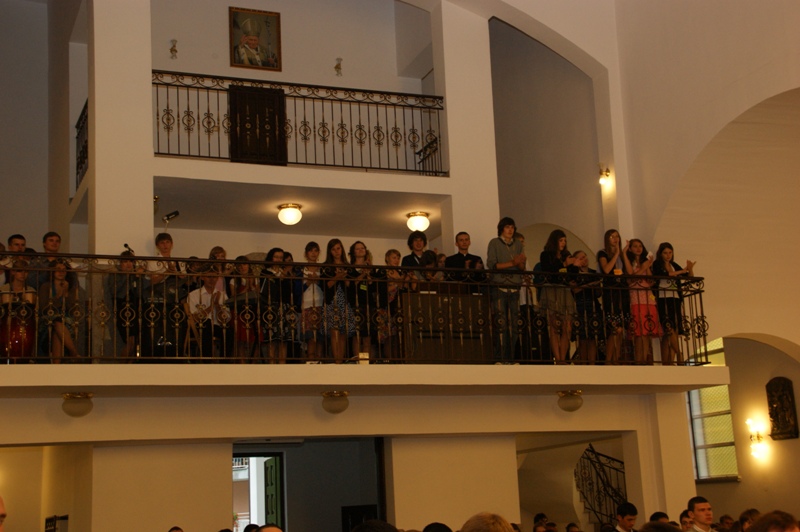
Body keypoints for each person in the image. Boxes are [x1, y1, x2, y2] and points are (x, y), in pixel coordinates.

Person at [487, 216, 526, 362]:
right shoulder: (494, 243)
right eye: (507, 227)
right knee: (501, 323)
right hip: (500, 287)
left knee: (515, 324)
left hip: (514, 287)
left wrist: (519, 263)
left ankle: (511, 357)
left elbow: (521, 267)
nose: (510, 230)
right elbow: (492, 264)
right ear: (501, 229)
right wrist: (512, 263)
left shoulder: (518, 244)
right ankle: (500, 357)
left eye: (512, 227)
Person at [653, 242, 696, 365]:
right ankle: (679, 354)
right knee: (668, 327)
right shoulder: (657, 264)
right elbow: (665, 275)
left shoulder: (674, 265)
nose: (668, 255)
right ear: (660, 254)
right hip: (663, 298)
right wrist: (682, 270)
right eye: (665, 253)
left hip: (675, 298)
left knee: (673, 331)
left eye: (670, 253)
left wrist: (690, 268)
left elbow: (688, 277)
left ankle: (669, 361)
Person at [539, 229, 577, 363]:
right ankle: (558, 358)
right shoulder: (545, 255)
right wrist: (564, 264)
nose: (563, 243)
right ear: (554, 241)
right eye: (561, 240)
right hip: (551, 289)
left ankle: (563, 357)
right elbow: (549, 270)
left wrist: (574, 265)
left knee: (567, 326)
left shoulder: (567, 255)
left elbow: (572, 275)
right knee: (554, 325)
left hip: (564, 290)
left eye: (565, 241)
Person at [622, 238, 661, 364]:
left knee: (647, 333)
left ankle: (643, 360)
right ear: (630, 249)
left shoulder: (645, 262)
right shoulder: (630, 262)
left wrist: (647, 266)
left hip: (648, 298)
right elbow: (630, 277)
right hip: (636, 298)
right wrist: (642, 267)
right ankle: (639, 361)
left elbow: (650, 281)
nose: (638, 248)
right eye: (635, 246)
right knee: (639, 333)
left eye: (640, 246)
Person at [38, 259, 84, 362]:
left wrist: (66, 293)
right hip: (47, 321)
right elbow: (44, 308)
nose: (61, 272)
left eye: (64, 270)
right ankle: (74, 352)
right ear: (52, 271)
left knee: (57, 331)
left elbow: (73, 309)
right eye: (58, 269)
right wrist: (59, 295)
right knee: (57, 323)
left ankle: (56, 365)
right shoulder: (45, 287)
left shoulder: (71, 288)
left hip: (66, 322)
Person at [105, 251, 146, 359]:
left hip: (134, 308)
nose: (128, 264)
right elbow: (114, 291)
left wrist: (138, 277)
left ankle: (129, 364)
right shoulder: (115, 274)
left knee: (134, 341)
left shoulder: (135, 275)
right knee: (129, 340)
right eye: (125, 261)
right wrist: (127, 275)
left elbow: (140, 293)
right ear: (120, 263)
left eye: (131, 261)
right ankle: (122, 365)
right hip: (122, 308)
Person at [185, 266, 232, 361]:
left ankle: (225, 363)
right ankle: (208, 361)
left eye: (214, 277)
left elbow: (225, 319)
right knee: (207, 325)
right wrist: (210, 307)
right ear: (202, 277)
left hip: (217, 325)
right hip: (200, 326)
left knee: (229, 331)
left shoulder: (222, 295)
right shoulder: (194, 295)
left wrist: (217, 305)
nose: (212, 279)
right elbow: (194, 318)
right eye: (209, 277)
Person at [597, 229, 629, 364]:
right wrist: (616, 254)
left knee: (621, 329)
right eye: (612, 237)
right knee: (614, 328)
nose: (615, 239)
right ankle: (608, 360)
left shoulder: (621, 255)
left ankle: (616, 359)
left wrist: (623, 254)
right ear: (607, 239)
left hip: (622, 292)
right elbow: (606, 269)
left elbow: (628, 271)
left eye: (617, 236)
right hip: (611, 293)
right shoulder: (603, 253)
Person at [321, 238, 355, 362]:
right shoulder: (326, 267)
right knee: (334, 331)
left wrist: (344, 278)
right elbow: (325, 286)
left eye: (338, 248)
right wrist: (337, 277)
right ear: (330, 251)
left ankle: (341, 359)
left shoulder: (348, 266)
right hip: (332, 301)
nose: (336, 251)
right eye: (333, 249)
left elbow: (351, 286)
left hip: (345, 302)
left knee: (343, 332)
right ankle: (337, 361)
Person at [260, 248, 293, 363]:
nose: (278, 260)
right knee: (272, 339)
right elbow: (265, 290)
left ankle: (282, 364)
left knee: (283, 340)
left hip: (284, 307)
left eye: (280, 257)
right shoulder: (265, 272)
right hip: (270, 308)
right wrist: (279, 278)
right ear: (271, 258)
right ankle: (271, 364)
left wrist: (286, 277)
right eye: (276, 257)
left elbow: (289, 292)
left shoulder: (286, 273)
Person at [570, 250, 603, 364]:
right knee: (582, 338)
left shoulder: (593, 273)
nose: (584, 260)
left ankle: (592, 363)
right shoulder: (574, 274)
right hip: (580, 306)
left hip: (593, 306)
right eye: (581, 258)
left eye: (585, 257)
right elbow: (575, 290)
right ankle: (583, 363)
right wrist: (589, 285)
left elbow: (598, 293)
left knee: (593, 336)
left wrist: (596, 286)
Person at [230, 256, 260, 361]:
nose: (242, 267)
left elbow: (258, 294)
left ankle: (253, 363)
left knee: (255, 339)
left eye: (244, 264)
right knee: (241, 340)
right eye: (239, 265)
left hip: (253, 311)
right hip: (240, 312)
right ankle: (242, 362)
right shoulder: (234, 280)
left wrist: (251, 286)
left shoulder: (255, 279)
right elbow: (233, 297)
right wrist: (246, 288)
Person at [348, 240, 374, 357]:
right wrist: (363, 274)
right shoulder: (350, 268)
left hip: (368, 303)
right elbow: (351, 284)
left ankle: (365, 362)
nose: (361, 250)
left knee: (367, 336)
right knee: (356, 335)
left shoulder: (371, 267)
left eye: (362, 248)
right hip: (355, 303)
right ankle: (357, 360)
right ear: (353, 252)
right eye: (357, 248)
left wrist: (368, 274)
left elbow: (373, 285)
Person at [300, 241, 325, 361]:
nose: (313, 253)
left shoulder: (323, 269)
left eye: (316, 250)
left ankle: (318, 360)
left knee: (320, 337)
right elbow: (297, 289)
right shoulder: (301, 269)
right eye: (310, 251)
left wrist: (318, 281)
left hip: (321, 303)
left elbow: (327, 286)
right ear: (306, 253)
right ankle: (310, 360)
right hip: (307, 304)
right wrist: (309, 282)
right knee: (310, 336)